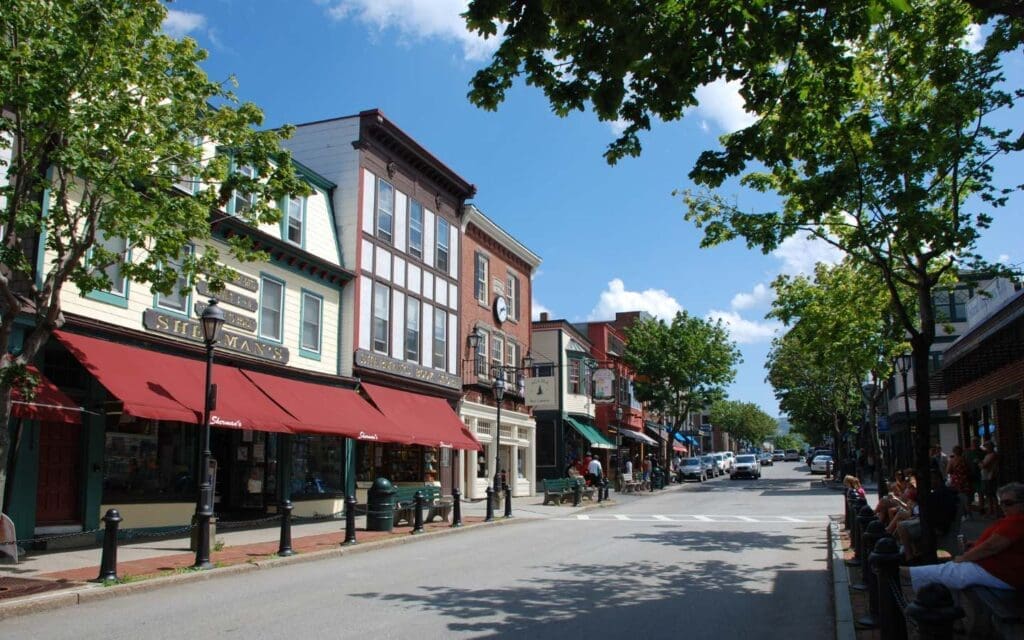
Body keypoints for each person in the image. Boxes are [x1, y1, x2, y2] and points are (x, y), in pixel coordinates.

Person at [904, 482, 1024, 592]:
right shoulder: (1012, 519)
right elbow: (1004, 543)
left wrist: (964, 557)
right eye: (1001, 503)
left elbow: (991, 547)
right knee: (950, 570)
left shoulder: (1017, 521)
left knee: (952, 571)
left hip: (1004, 573)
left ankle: (905, 573)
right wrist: (976, 544)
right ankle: (908, 575)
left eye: (1008, 503)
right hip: (998, 568)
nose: (1003, 507)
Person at [896, 469, 959, 562]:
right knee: (906, 522)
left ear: (937, 479)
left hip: (937, 527)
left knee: (902, 526)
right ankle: (915, 552)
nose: (930, 482)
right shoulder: (943, 492)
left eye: (932, 479)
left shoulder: (938, 494)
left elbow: (931, 513)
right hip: (937, 523)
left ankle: (910, 557)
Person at [946, 445, 973, 520]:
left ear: (954, 452)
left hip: (957, 480)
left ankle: (964, 514)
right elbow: (969, 469)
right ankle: (969, 513)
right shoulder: (965, 459)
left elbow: (948, 470)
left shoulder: (952, 460)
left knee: (959, 498)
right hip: (965, 480)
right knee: (967, 497)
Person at [980, 441, 1000, 517]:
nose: (985, 448)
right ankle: (991, 510)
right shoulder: (988, 455)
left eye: (986, 446)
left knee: (992, 494)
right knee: (989, 495)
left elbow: (983, 465)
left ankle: (996, 511)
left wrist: (978, 462)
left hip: (989, 477)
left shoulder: (993, 455)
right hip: (986, 477)